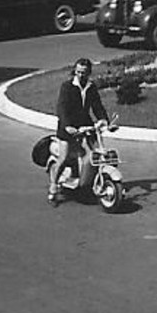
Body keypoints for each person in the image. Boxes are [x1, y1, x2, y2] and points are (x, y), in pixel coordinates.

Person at [49, 57, 108, 205]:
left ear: (89, 73)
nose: (81, 75)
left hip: (85, 125)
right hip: (67, 127)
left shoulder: (91, 87)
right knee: (64, 157)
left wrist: (103, 119)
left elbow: (97, 106)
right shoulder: (67, 87)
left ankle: (88, 181)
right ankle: (53, 186)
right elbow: (61, 108)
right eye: (79, 72)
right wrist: (68, 126)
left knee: (96, 152)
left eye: (85, 72)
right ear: (75, 71)